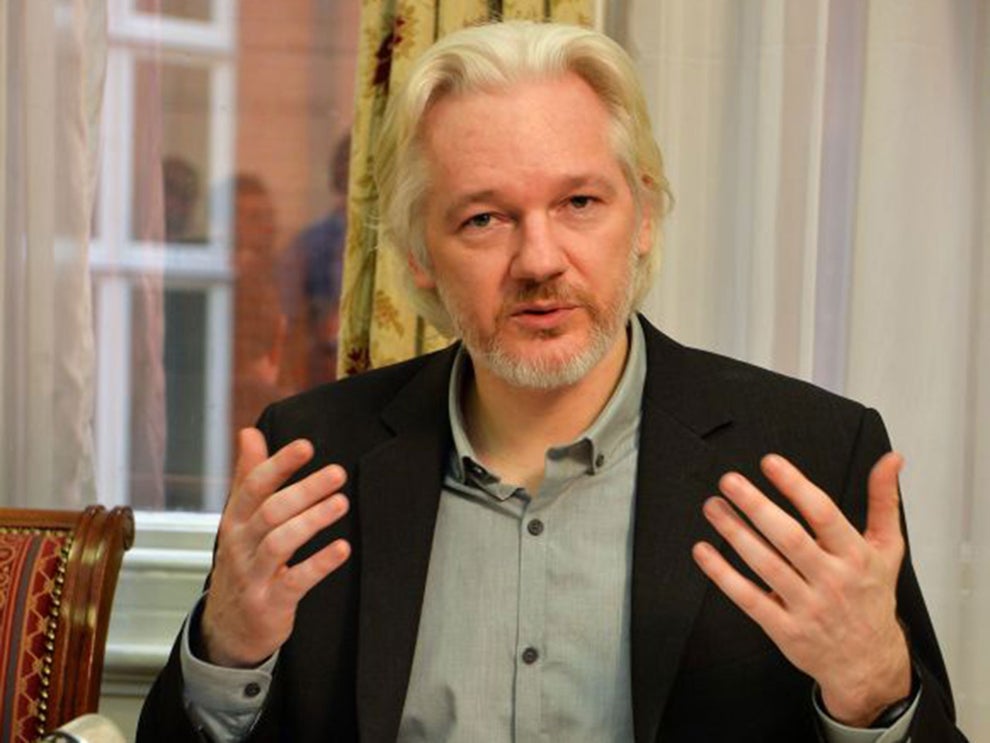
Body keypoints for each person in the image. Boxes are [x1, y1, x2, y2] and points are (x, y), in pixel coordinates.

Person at [138, 21, 967, 742]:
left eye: (579, 202)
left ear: (643, 216)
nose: (539, 260)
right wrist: (226, 652)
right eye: (484, 218)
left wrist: (875, 691)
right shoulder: (312, 459)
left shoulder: (813, 456)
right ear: (421, 255)